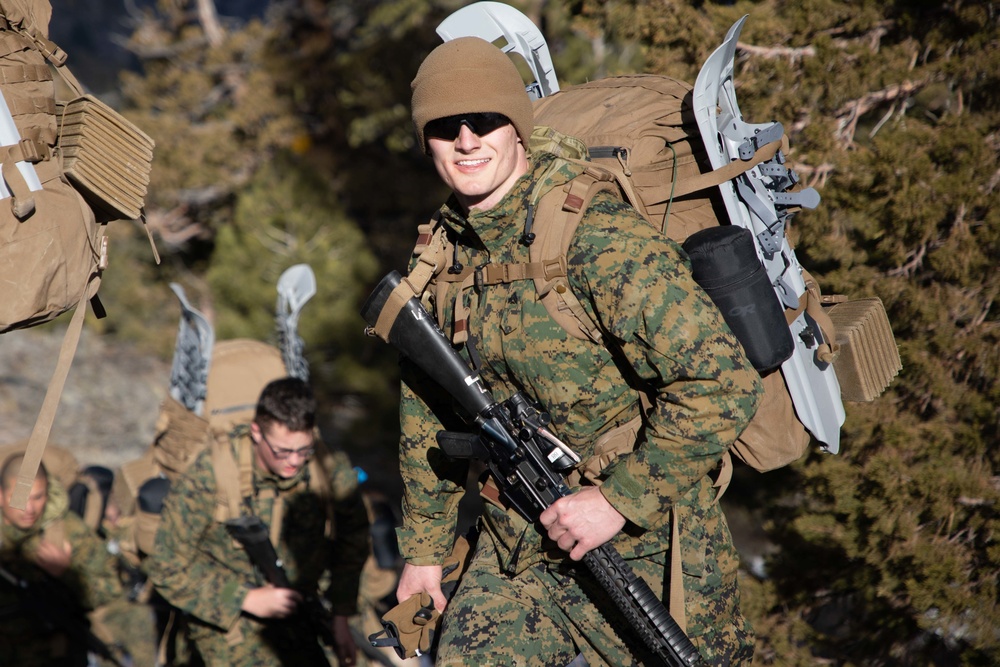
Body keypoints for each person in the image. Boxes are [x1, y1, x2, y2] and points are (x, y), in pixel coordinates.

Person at [392, 37, 765, 666]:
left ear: (517, 126)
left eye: (484, 120)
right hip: (515, 546)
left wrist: (615, 501)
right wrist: (424, 553)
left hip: (646, 542)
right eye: (443, 126)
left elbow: (721, 380)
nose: (466, 140)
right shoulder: (440, 260)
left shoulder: (598, 236)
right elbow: (425, 411)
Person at [148, 377, 370, 666]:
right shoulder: (209, 476)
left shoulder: (327, 470)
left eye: (304, 450)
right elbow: (166, 566)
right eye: (282, 451)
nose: (294, 461)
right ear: (256, 432)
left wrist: (342, 614)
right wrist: (244, 598)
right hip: (227, 624)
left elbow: (352, 542)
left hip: (305, 614)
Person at [0, 454, 123, 666]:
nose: (30, 509)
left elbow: (111, 590)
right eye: (20, 497)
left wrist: (67, 573)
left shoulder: (67, 530)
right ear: (1, 496)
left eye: (38, 497)